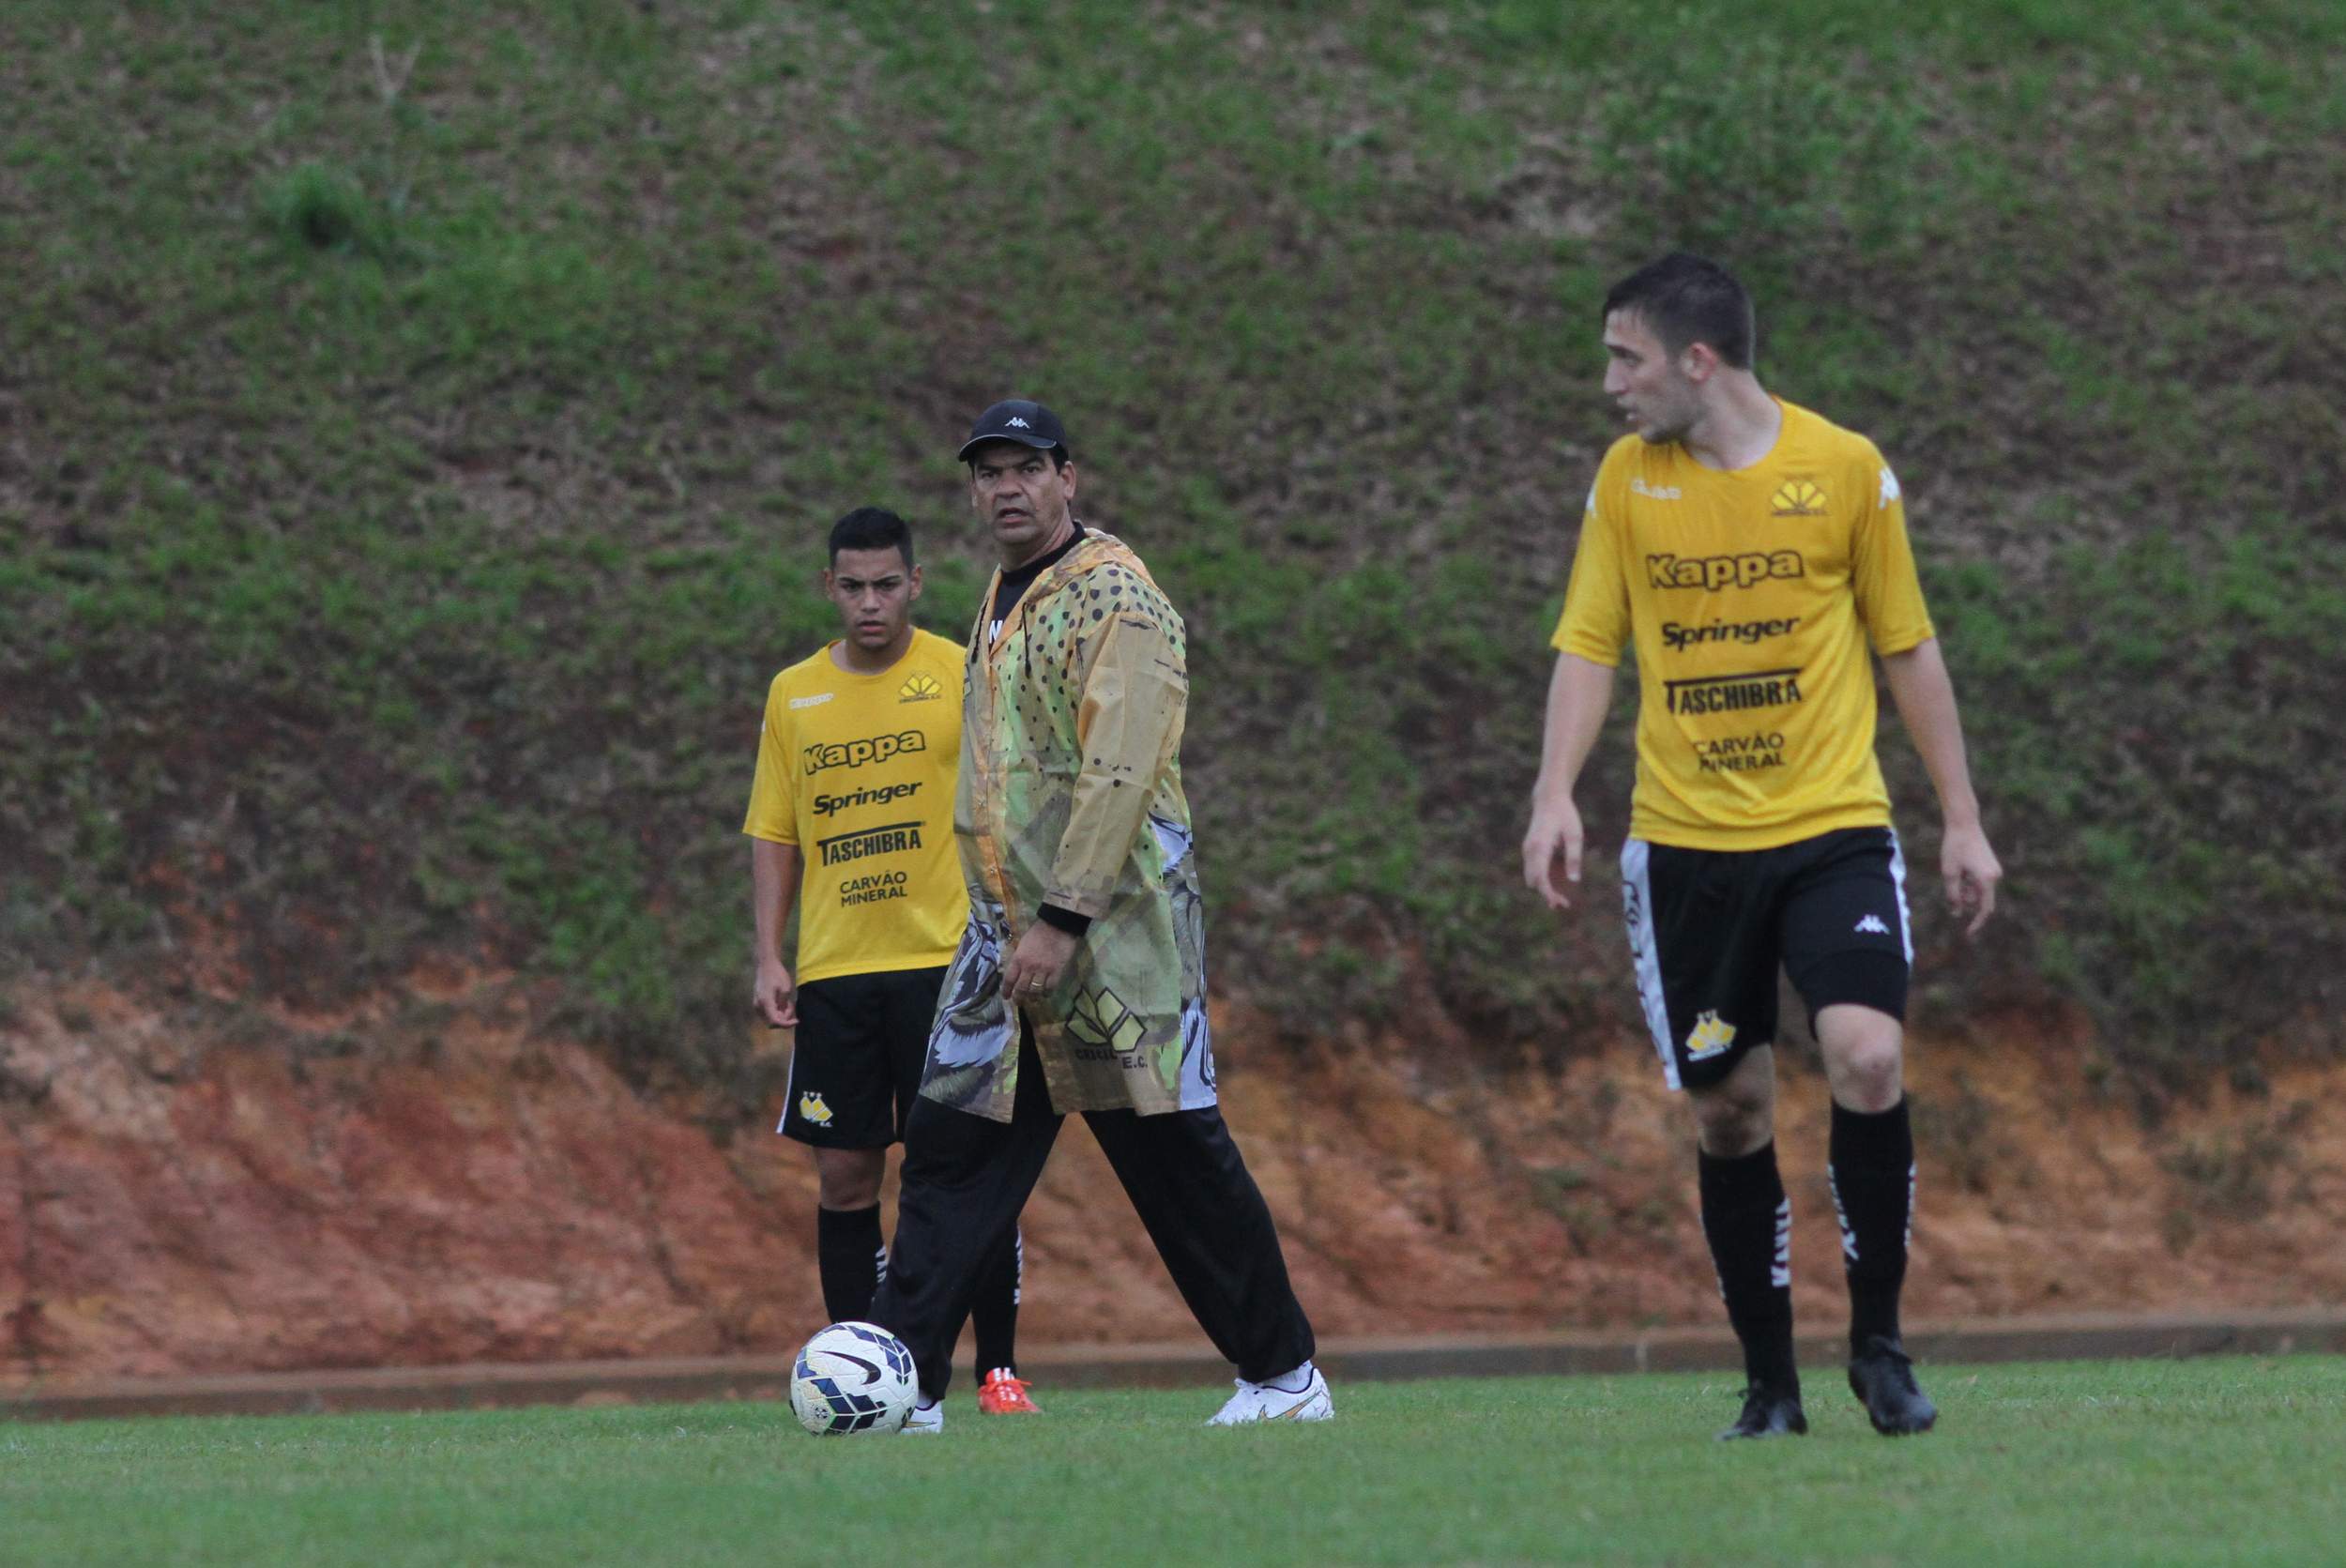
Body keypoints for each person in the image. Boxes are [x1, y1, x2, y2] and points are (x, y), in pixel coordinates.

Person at [1522, 254, 2003, 1440]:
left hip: (1833, 826)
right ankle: (1769, 1386)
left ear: (1698, 361)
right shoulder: (1628, 484)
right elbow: (1590, 644)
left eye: (1624, 357)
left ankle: (1880, 1349)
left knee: (1867, 1057)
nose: (1608, 384)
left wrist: (1963, 818)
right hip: (1684, 849)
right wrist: (1554, 794)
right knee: (1729, 1112)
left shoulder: (1843, 469)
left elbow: (1907, 646)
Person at [866, 399, 1329, 1433]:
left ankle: (1285, 1377)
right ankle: (903, 1385)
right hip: (1003, 939)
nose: (1004, 489)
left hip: (1108, 941)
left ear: (1067, 477)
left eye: (1024, 468)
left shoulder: (1116, 597)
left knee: (1175, 1163)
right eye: (986, 473)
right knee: (949, 1151)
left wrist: (1062, 919)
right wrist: (1013, 919)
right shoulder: (1003, 591)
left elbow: (1120, 772)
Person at [743, 506, 1040, 1418]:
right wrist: (767, 952)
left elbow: (1013, 796)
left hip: (949, 966)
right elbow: (774, 830)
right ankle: (872, 1380)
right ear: (828, 588)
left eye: (885, 584)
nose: (869, 602)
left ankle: (995, 1369)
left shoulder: (960, 672)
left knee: (958, 1175)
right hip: (837, 974)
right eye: (851, 586)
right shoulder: (794, 694)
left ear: (914, 584)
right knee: (844, 1178)